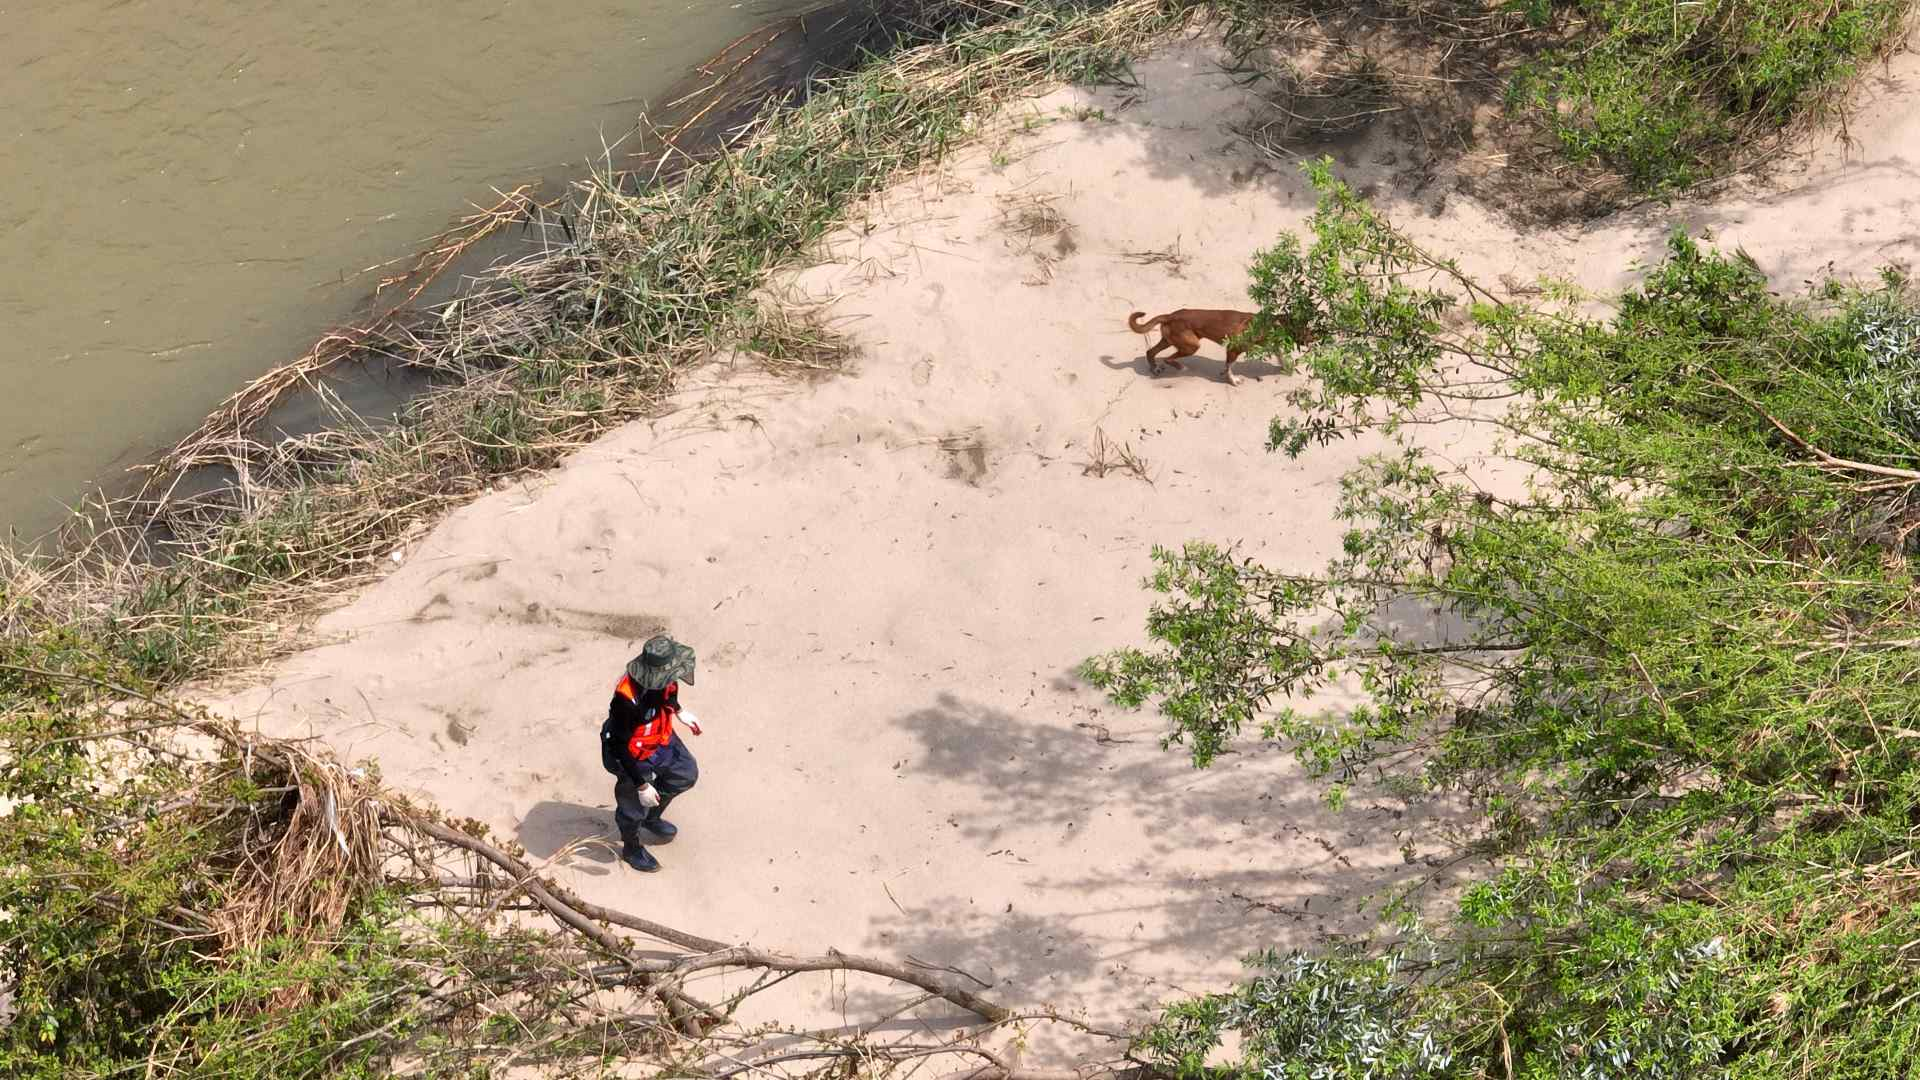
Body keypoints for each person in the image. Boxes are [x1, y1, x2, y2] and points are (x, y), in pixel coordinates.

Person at [599, 634, 704, 873]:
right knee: (632, 808)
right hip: (631, 756)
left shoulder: (666, 678)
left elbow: (669, 692)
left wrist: (679, 711)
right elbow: (618, 745)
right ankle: (632, 847)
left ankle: (650, 816)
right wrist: (641, 786)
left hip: (660, 738)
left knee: (685, 774)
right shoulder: (626, 702)